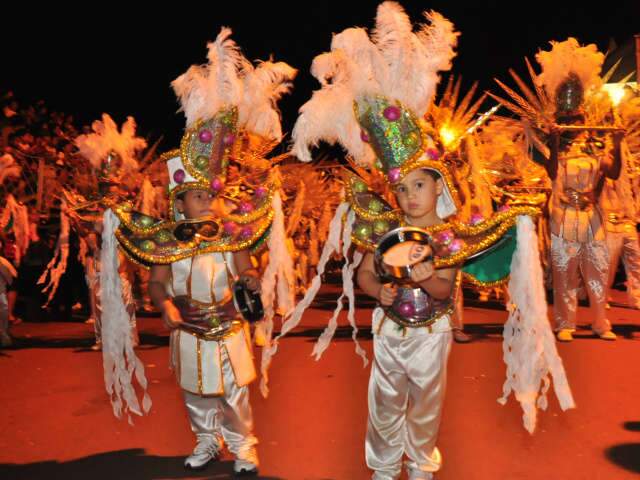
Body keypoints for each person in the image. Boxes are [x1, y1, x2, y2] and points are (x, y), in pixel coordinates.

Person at [114, 27, 296, 475]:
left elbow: (244, 269)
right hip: (189, 326)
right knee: (196, 393)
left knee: (233, 393)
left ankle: (244, 446)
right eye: (194, 197)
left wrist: (250, 283)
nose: (204, 203)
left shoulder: (231, 234)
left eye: (207, 196)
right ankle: (206, 441)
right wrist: (167, 309)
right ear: (179, 203)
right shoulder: (165, 243)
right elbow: (156, 284)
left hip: (226, 322)